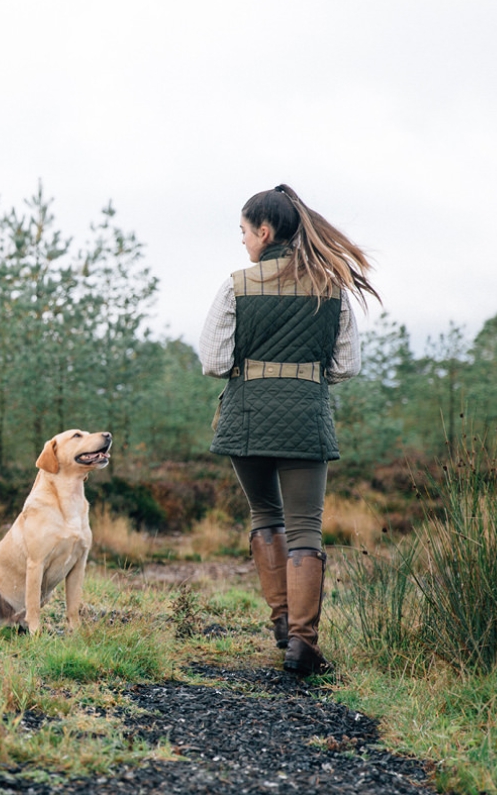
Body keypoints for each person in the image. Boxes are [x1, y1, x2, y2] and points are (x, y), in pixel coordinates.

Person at [199, 184, 378, 675]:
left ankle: (282, 623)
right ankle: (303, 645)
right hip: (305, 418)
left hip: (247, 417)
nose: (242, 242)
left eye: (243, 232)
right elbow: (346, 366)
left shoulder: (236, 285)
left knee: (265, 514)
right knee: (305, 528)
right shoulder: (332, 288)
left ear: (264, 230)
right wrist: (303, 374)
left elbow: (213, 362)